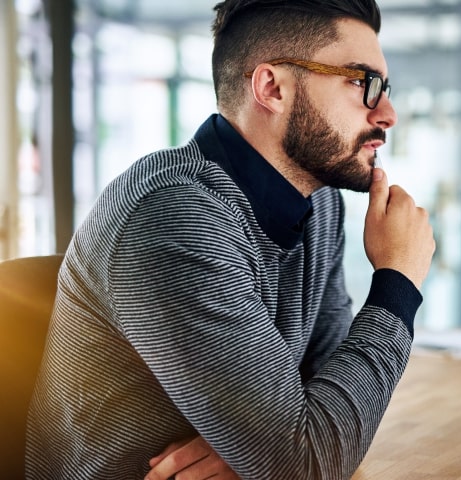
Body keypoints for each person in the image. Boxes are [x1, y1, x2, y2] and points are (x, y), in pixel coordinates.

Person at [25, 0, 435, 478]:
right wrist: (398, 283)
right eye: (361, 83)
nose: (387, 113)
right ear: (272, 88)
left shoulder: (320, 204)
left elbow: (329, 403)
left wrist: (250, 447)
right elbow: (304, 462)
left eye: (384, 87)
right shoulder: (174, 216)